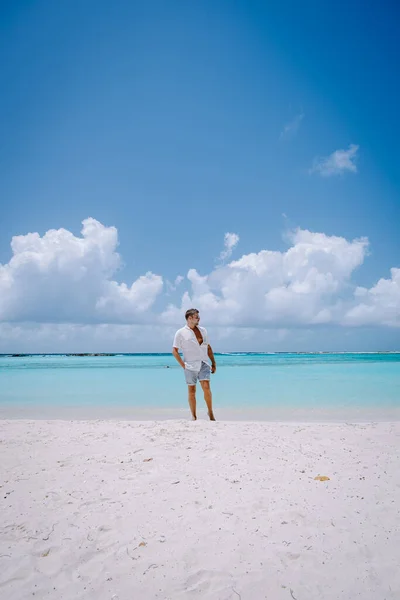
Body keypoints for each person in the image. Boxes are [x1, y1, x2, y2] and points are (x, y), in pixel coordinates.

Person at [172, 308, 216, 421]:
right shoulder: (180, 332)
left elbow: (208, 347)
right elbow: (175, 351)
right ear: (190, 318)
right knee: (192, 391)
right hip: (190, 365)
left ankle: (210, 413)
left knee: (206, 387)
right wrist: (183, 365)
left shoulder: (203, 330)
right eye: (197, 317)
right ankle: (194, 416)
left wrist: (213, 362)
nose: (199, 319)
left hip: (204, 362)